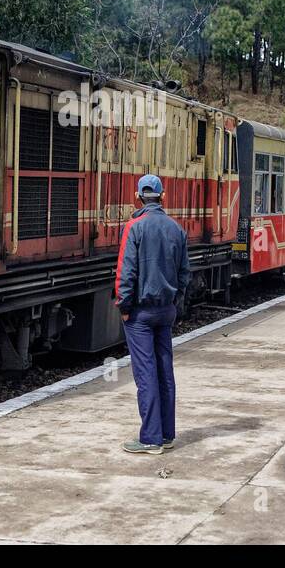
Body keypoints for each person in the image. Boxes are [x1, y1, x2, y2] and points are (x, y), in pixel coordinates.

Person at [115, 174, 189, 456]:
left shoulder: (134, 227)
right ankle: (167, 435)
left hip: (141, 314)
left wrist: (124, 307)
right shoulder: (176, 229)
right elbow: (184, 274)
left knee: (145, 374)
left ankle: (150, 438)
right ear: (162, 196)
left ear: (138, 197)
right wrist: (174, 301)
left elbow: (126, 272)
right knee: (165, 371)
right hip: (166, 310)